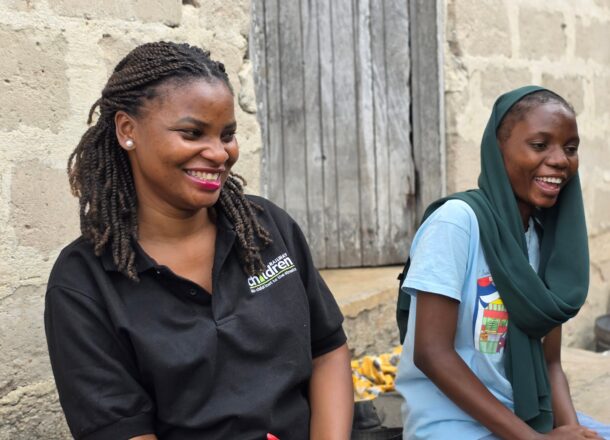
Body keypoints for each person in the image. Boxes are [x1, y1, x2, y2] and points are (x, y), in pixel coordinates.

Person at [44, 41, 353, 440]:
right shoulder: (83, 284)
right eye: (192, 133)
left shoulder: (265, 229)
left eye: (227, 135)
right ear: (127, 130)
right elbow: (121, 429)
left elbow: (327, 350)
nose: (219, 153)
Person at [395, 86, 608, 439]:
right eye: (540, 146)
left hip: (525, 418)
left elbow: (550, 361)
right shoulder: (457, 223)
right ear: (498, 150)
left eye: (570, 149)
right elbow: (432, 354)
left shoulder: (541, 239)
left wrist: (571, 429)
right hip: (453, 427)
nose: (560, 160)